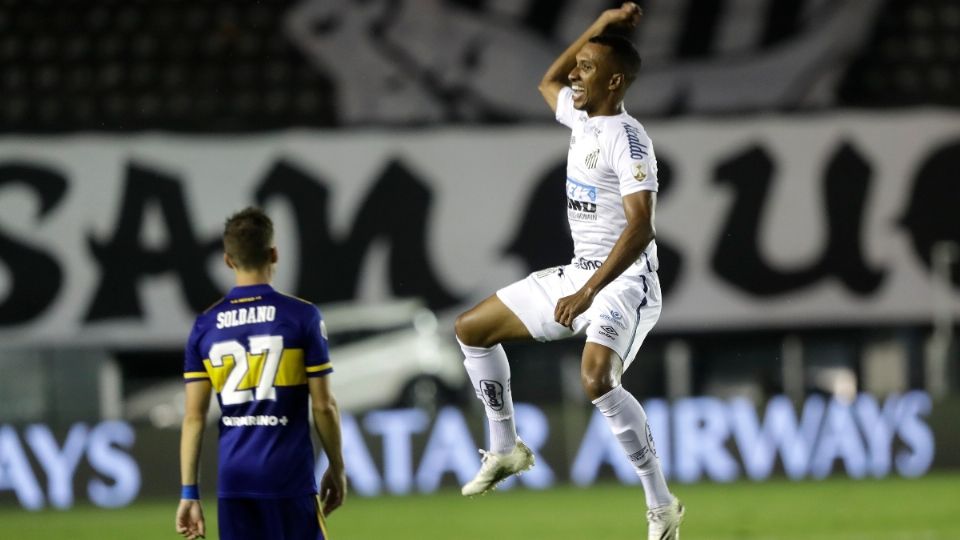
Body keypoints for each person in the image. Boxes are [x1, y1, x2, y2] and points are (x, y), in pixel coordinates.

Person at [454, 3, 684, 538]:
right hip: (579, 272)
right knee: (471, 329)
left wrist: (586, 294)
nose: (574, 76)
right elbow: (546, 82)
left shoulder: (629, 141)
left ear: (615, 81)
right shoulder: (580, 117)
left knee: (596, 379)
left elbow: (641, 227)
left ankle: (661, 507)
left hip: (624, 284)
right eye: (578, 65)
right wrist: (600, 27)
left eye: (587, 68)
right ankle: (506, 448)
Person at [175, 207, 346, 540]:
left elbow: (193, 418)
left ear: (228, 260)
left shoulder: (205, 326)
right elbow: (323, 406)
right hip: (288, 477)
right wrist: (337, 469)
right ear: (274, 253)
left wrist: (189, 492)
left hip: (235, 481)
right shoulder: (302, 316)